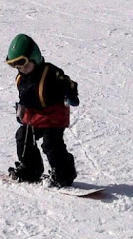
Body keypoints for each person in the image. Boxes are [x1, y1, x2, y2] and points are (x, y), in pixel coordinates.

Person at [6, 34, 80, 187]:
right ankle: (30, 169)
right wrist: (21, 111)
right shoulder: (21, 79)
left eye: (25, 65)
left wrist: (71, 95)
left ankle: (64, 174)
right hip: (35, 116)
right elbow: (25, 99)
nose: (22, 70)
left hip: (54, 116)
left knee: (51, 144)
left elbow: (69, 84)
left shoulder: (51, 74)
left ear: (35, 58)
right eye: (18, 67)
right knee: (23, 136)